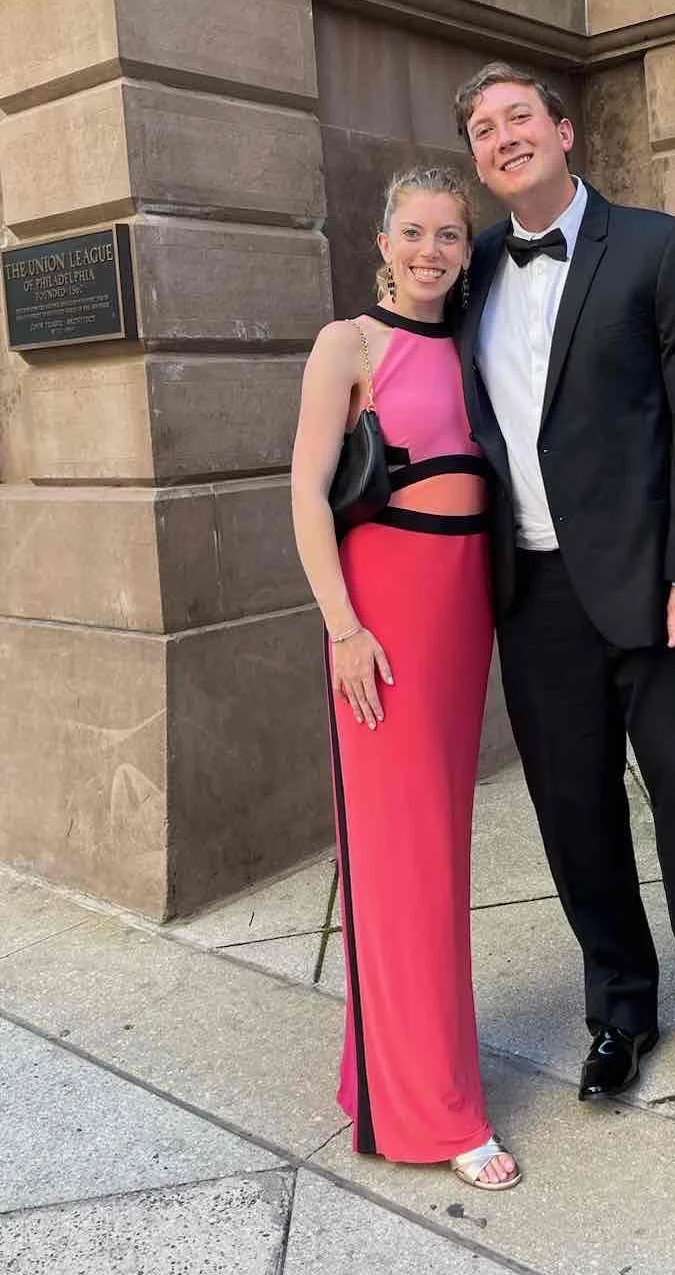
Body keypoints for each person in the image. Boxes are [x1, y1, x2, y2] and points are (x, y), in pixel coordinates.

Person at [455, 62, 675, 1139]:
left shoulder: (660, 247)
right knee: (575, 817)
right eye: (483, 128)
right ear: (478, 160)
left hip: (660, 589)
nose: (504, 136)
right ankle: (621, 1010)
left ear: (564, 132)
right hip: (532, 594)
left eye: (520, 116)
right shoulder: (471, 271)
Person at [290, 165, 520, 1191]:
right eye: (414, 232)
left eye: (450, 235)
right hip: (381, 620)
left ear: (468, 252)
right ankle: (435, 1111)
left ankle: (380, 1077)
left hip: (459, 616)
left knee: (436, 856)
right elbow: (305, 492)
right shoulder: (348, 344)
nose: (432, 250)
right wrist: (343, 628)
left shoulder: (469, 342)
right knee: (404, 862)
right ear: (382, 242)